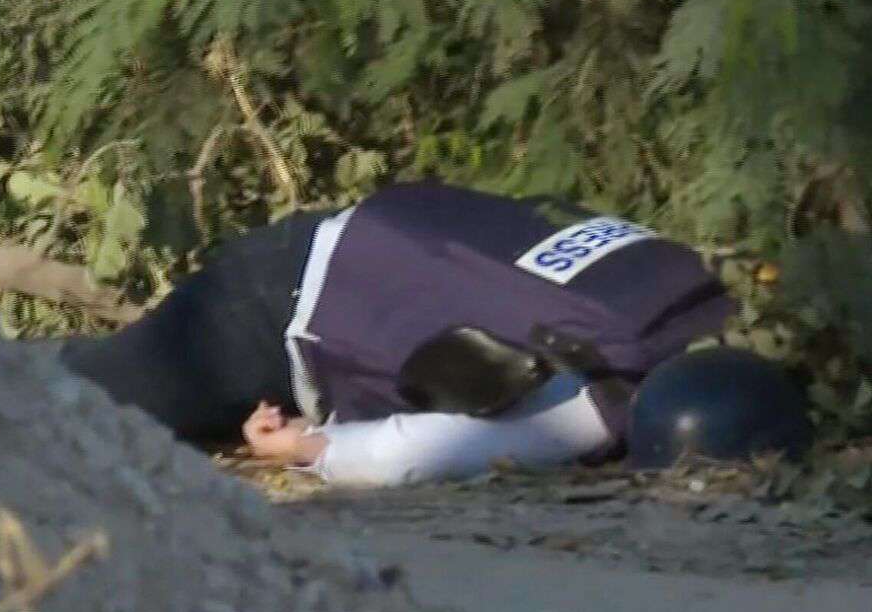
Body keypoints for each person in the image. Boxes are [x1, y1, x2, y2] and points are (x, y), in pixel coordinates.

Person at [54, 183, 810, 485]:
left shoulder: (678, 299)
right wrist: (309, 450)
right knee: (74, 399)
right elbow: (417, 452)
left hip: (344, 253)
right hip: (274, 309)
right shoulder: (593, 408)